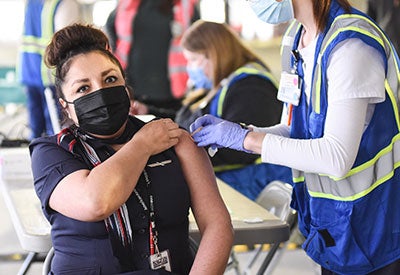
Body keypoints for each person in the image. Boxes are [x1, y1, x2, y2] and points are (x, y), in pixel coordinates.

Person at [190, 0, 400, 274]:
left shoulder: (350, 46)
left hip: (377, 222)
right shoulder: (294, 40)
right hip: (331, 222)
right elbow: (294, 130)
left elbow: (336, 157)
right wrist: (241, 132)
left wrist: (246, 141)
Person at [29, 23, 233, 274]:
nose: (101, 92)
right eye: (83, 88)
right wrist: (142, 145)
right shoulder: (52, 152)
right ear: (66, 106)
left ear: (126, 86)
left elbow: (217, 225)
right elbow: (96, 202)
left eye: (110, 79)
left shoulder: (173, 140)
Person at [175, 20, 291, 200]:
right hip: (237, 178)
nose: (191, 68)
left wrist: (188, 154)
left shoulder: (251, 87)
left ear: (214, 55)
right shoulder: (223, 83)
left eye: (194, 60)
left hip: (255, 180)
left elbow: (241, 151)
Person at [104, 0, 200, 119]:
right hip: (134, 90)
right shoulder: (127, 3)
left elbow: (197, 42)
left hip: (171, 93)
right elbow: (110, 32)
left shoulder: (185, 5)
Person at [17, 0, 82, 140]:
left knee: (36, 129)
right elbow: (69, 44)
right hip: (50, 75)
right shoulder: (63, 4)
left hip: (30, 71)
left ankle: (37, 156)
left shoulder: (31, 3)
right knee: (55, 130)